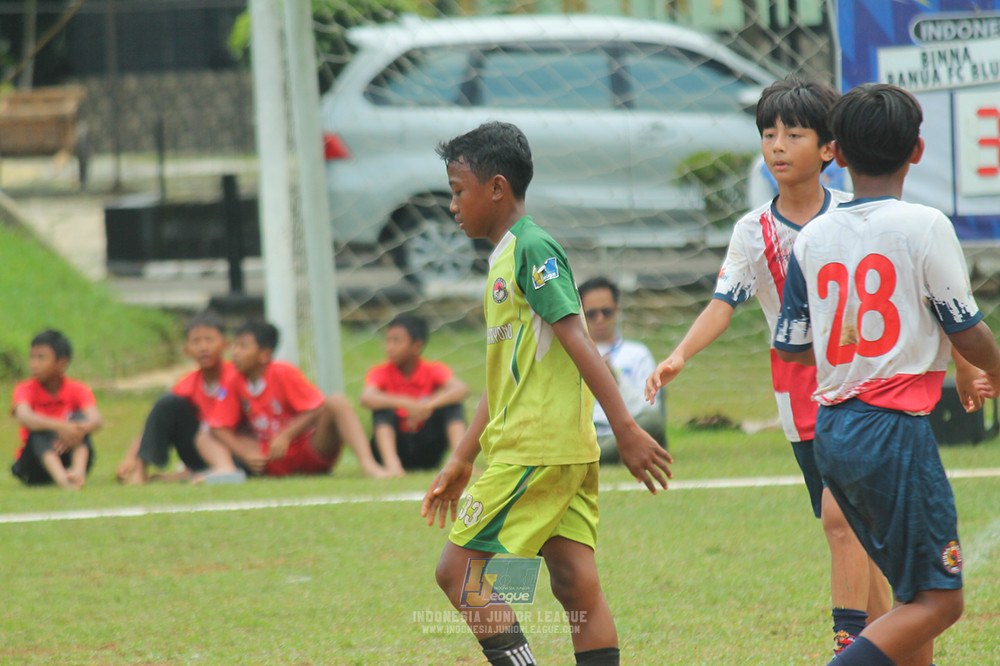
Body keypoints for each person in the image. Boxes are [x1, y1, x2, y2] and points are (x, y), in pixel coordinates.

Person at [644, 75, 893, 655]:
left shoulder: (859, 215)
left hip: (862, 380)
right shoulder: (752, 232)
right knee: (850, 530)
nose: (777, 145)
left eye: (794, 133)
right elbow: (723, 302)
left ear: (830, 149)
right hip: (798, 388)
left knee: (843, 521)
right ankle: (898, 644)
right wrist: (680, 353)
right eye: (768, 133)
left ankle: (848, 646)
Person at [421, 121, 672, 666]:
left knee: (457, 572)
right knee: (574, 582)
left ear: (496, 189)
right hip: (558, 448)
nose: (452, 205)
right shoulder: (505, 256)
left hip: (536, 448)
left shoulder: (533, 248)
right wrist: (463, 456)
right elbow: (503, 381)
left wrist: (627, 429)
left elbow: (578, 336)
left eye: (458, 191)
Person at [773, 83, 1000, 666]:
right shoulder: (923, 225)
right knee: (941, 601)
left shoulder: (812, 237)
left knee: (909, 595)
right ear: (918, 150)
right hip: (892, 431)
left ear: (838, 154)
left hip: (834, 431)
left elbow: (794, 348)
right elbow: (966, 329)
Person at [197, 320, 389, 480]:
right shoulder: (233, 380)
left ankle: (369, 465)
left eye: (243, 346)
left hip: (308, 448)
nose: (235, 352)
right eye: (234, 346)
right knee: (205, 434)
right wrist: (244, 454)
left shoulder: (282, 372)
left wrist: (286, 435)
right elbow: (218, 426)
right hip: (269, 455)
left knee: (337, 401)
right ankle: (226, 471)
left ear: (265, 354)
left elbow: (317, 407)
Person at [116, 310, 239, 485]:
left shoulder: (236, 376)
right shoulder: (187, 383)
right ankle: (140, 469)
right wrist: (130, 457)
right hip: (200, 447)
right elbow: (156, 419)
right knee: (167, 403)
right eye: (196, 341)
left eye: (209, 340)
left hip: (232, 447)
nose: (203, 347)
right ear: (187, 349)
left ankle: (213, 471)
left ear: (225, 344)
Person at [360, 312, 468, 477]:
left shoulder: (432, 370)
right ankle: (393, 466)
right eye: (388, 340)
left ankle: (461, 462)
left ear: (416, 346)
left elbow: (460, 389)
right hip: (399, 443)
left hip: (427, 448)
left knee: (452, 406)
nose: (389, 347)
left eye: (396, 341)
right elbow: (366, 397)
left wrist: (426, 406)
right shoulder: (380, 372)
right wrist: (405, 403)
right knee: (381, 411)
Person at [577, 276, 666, 462]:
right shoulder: (572, 352)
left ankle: (594, 458)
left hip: (624, 430)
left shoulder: (637, 353)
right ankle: (594, 455)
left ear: (617, 311)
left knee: (653, 422)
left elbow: (650, 409)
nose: (599, 319)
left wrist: (614, 382)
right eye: (591, 314)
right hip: (583, 432)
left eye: (606, 312)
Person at [10, 329, 102, 490]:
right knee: (38, 430)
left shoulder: (77, 389)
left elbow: (96, 420)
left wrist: (75, 431)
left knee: (79, 419)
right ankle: (64, 481)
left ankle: (77, 474)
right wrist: (60, 427)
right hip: (35, 464)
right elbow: (24, 416)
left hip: (67, 454)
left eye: (41, 358)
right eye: (32, 357)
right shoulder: (25, 389)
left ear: (61, 363)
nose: (34, 364)